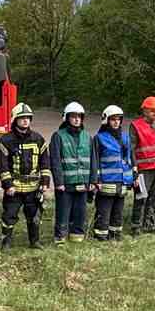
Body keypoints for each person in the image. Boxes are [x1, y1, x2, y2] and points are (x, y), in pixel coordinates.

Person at [0, 102, 50, 250]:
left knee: (34, 217)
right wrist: (8, 185)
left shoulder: (38, 139)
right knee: (9, 216)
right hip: (14, 188)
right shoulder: (6, 140)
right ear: (15, 120)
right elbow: (2, 165)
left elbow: (45, 162)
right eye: (22, 118)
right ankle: (6, 242)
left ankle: (34, 241)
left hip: (33, 188)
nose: (25, 120)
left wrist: (45, 182)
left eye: (28, 118)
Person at [48, 101, 92, 244]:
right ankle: (60, 237)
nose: (77, 119)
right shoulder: (58, 136)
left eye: (79, 116)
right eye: (73, 116)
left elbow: (94, 160)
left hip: (83, 183)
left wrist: (93, 181)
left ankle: (77, 237)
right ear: (66, 118)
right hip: (65, 184)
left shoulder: (87, 137)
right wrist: (59, 182)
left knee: (80, 212)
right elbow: (55, 160)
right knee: (63, 212)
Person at [90, 105, 134, 240]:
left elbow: (130, 158)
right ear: (106, 120)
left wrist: (134, 176)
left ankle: (115, 234)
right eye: (113, 119)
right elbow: (95, 160)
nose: (116, 122)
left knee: (118, 211)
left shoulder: (126, 137)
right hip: (106, 182)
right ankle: (100, 235)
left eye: (118, 119)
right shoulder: (99, 138)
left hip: (122, 181)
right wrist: (96, 179)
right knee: (104, 210)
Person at [127, 96, 155, 236]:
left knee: (154, 198)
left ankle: (149, 224)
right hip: (143, 170)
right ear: (144, 111)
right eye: (152, 111)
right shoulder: (136, 126)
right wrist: (134, 169)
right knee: (141, 197)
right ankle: (136, 226)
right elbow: (131, 150)